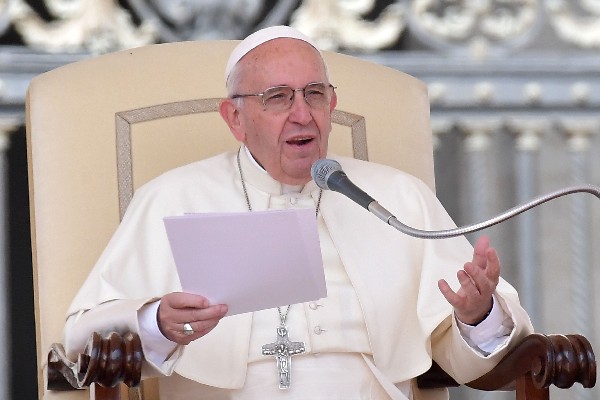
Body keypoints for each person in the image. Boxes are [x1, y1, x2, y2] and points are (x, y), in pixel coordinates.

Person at [64, 25, 533, 400]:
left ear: (332, 104)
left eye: (313, 94)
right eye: (277, 98)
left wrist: (477, 314)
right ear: (235, 118)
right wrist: (156, 324)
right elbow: (81, 337)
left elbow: (462, 352)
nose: (302, 114)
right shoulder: (171, 197)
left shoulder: (398, 198)